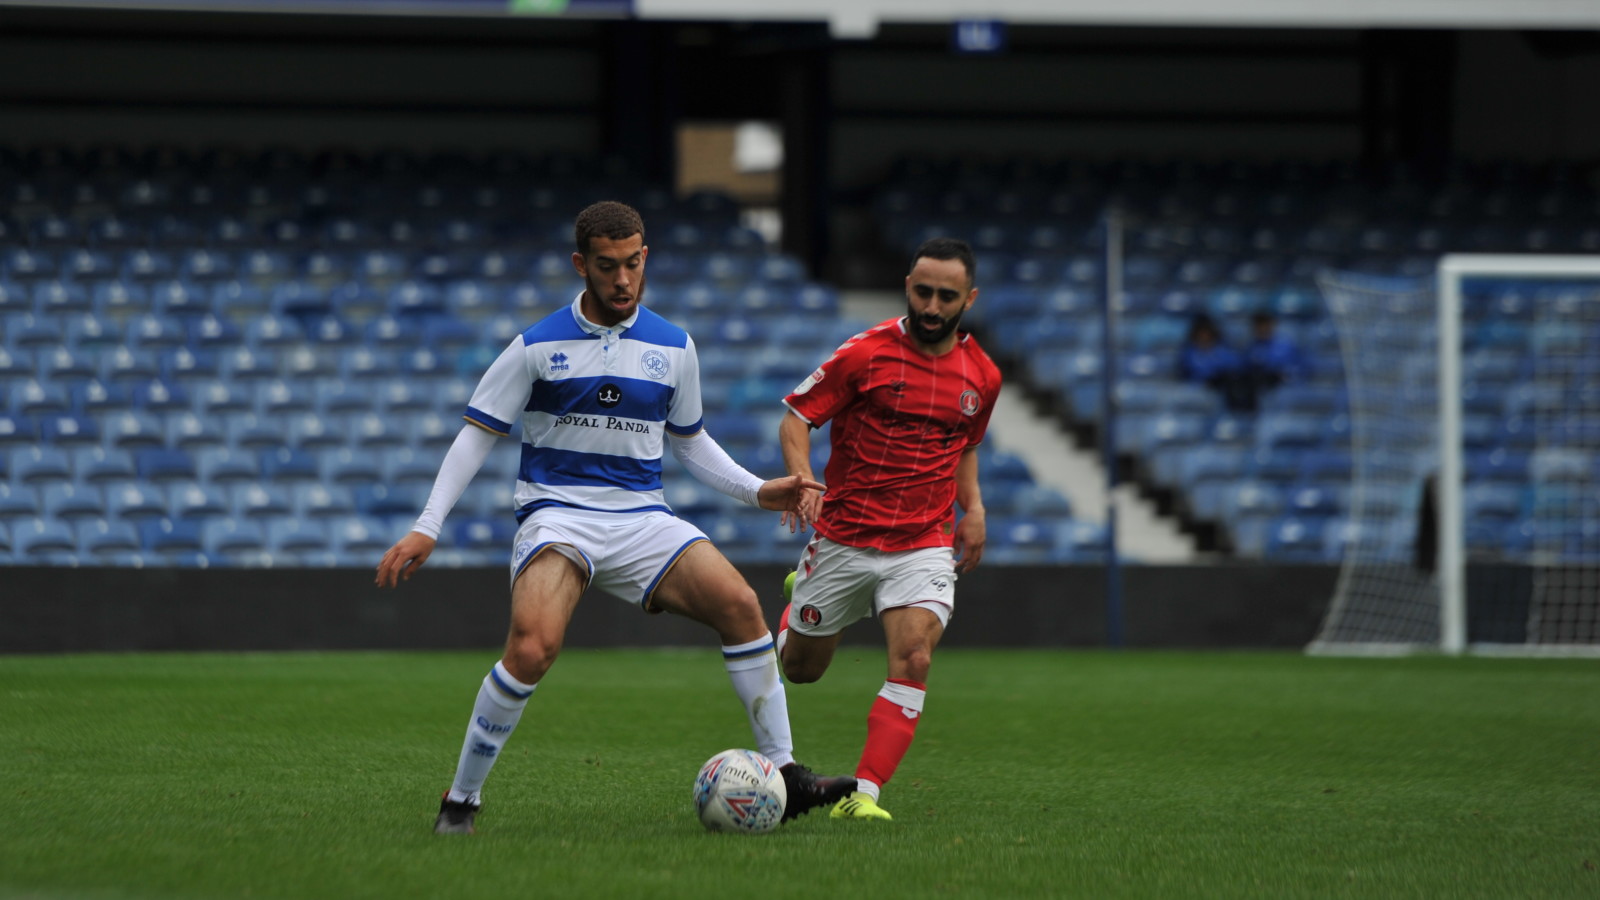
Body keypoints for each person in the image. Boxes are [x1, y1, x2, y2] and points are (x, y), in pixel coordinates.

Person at [375, 200, 854, 834]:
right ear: (581, 265)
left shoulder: (674, 346)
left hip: (641, 519)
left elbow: (690, 442)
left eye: (633, 264)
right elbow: (475, 436)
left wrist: (759, 490)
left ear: (645, 256)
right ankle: (461, 801)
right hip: (557, 517)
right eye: (607, 267)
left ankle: (787, 777)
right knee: (533, 647)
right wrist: (428, 524)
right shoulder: (535, 346)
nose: (623, 280)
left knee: (740, 605)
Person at [773, 237, 1002, 822]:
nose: (932, 305)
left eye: (946, 296)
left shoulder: (983, 376)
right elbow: (797, 418)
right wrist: (802, 479)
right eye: (922, 291)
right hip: (845, 536)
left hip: (922, 541)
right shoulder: (864, 354)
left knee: (915, 658)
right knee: (801, 671)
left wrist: (972, 508)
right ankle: (797, 596)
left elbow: (965, 446)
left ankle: (862, 796)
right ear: (908, 286)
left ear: (968, 299)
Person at [1177, 312, 1251, 411]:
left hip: (1222, 391)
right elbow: (1186, 374)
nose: (1203, 337)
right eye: (1201, 334)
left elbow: (1237, 368)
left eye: (1206, 333)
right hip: (1198, 391)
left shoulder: (1223, 351)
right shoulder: (1189, 353)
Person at [1242, 309, 1309, 396]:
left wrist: (1285, 374)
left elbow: (1301, 368)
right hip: (1260, 392)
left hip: (1286, 389)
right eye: (1258, 325)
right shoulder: (1251, 348)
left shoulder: (1286, 345)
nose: (1261, 328)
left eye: (1264, 324)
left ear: (1271, 325)